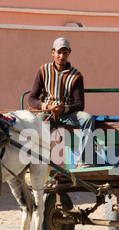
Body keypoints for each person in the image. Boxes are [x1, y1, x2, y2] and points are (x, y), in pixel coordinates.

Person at [28, 37, 95, 168]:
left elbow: (80, 104)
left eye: (65, 53)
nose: (61, 56)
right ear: (52, 52)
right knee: (37, 124)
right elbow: (31, 99)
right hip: (47, 113)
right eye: (59, 52)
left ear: (69, 53)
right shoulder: (43, 70)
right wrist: (47, 106)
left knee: (88, 118)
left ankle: (83, 162)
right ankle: (36, 163)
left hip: (68, 113)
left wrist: (63, 109)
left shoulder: (76, 75)